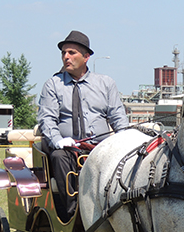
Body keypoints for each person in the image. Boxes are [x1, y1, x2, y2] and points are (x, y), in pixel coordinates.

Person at [38, 30, 129, 222]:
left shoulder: (105, 84)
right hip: (66, 149)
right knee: (58, 156)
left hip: (99, 147)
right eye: (64, 53)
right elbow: (47, 119)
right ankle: (76, 215)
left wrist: (126, 142)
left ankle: (121, 210)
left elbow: (118, 117)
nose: (66, 57)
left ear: (86, 57)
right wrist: (58, 141)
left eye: (72, 52)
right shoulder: (53, 84)